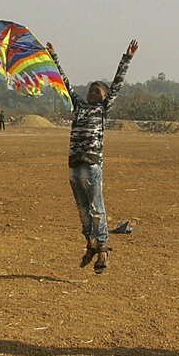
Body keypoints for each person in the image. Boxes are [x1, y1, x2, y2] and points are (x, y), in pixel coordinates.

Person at [47, 40, 138, 274]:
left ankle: (103, 250)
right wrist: (53, 57)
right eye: (90, 90)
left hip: (91, 164)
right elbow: (63, 82)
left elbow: (118, 84)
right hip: (74, 165)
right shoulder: (78, 105)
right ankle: (90, 244)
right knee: (82, 209)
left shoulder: (102, 110)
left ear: (105, 97)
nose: (91, 93)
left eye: (97, 91)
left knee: (97, 208)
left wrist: (126, 59)